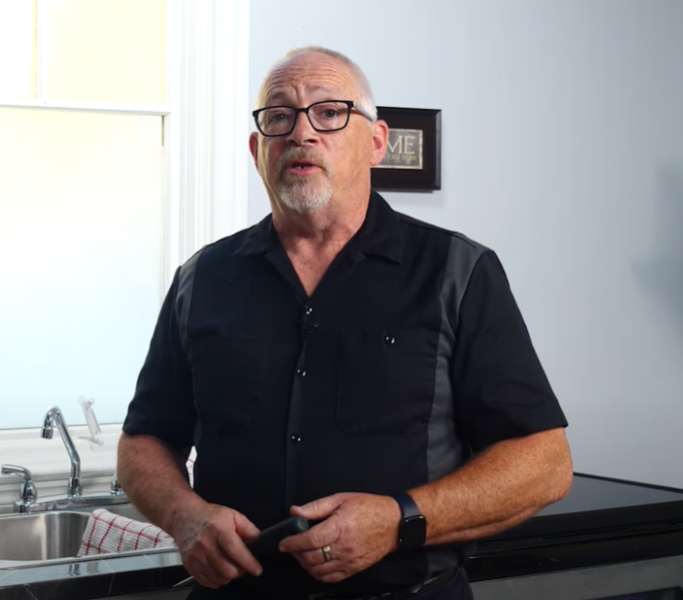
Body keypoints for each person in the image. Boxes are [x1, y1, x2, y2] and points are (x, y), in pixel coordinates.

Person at [117, 46, 573, 600]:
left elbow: (544, 462)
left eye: (330, 112)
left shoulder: (458, 271)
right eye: (280, 116)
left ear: (376, 142)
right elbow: (144, 441)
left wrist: (401, 518)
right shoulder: (202, 278)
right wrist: (184, 515)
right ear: (257, 149)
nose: (302, 133)